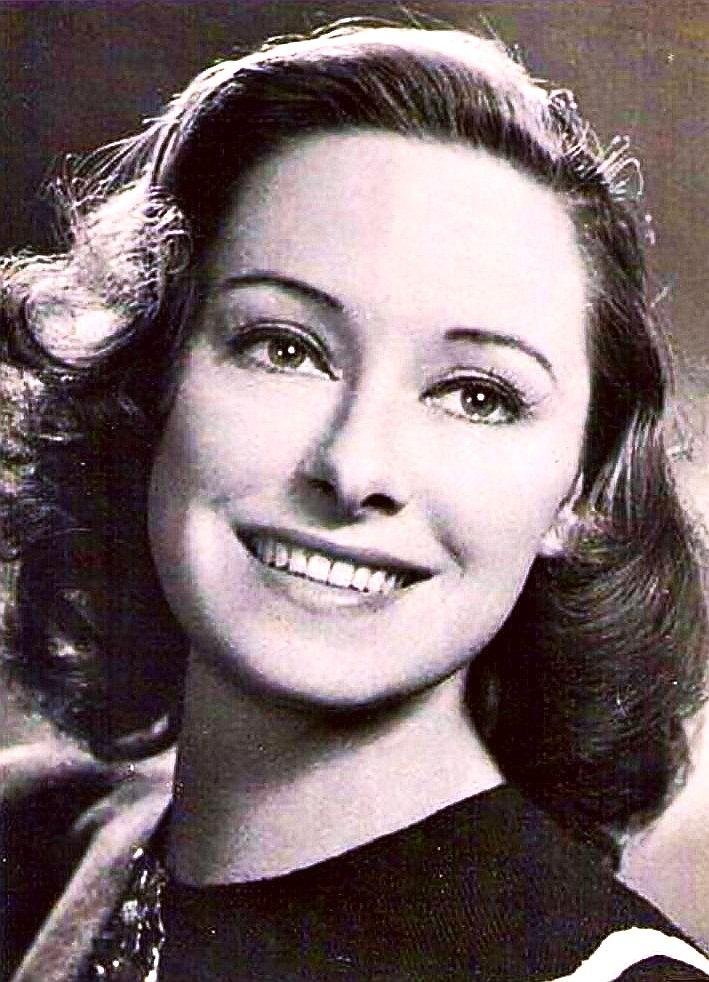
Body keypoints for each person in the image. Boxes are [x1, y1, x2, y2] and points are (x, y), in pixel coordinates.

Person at [1, 19, 708, 982]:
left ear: (577, 494)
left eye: (476, 396)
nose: (354, 466)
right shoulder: (33, 851)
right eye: (284, 347)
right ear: (151, 378)